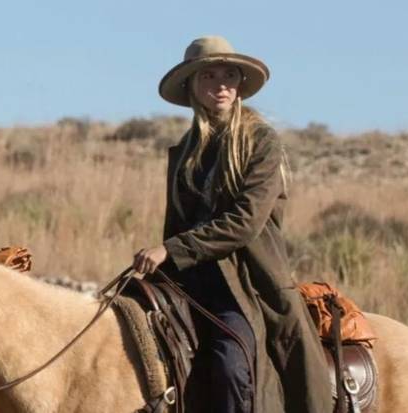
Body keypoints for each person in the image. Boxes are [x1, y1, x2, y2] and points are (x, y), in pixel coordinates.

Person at [132, 36, 333, 413]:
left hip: (245, 285)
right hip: (191, 280)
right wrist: (156, 267)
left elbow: (244, 222)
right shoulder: (185, 150)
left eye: (229, 75)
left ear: (241, 84)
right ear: (192, 85)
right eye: (208, 75)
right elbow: (175, 225)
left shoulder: (261, 142)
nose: (220, 84)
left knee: (230, 363)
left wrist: (170, 250)